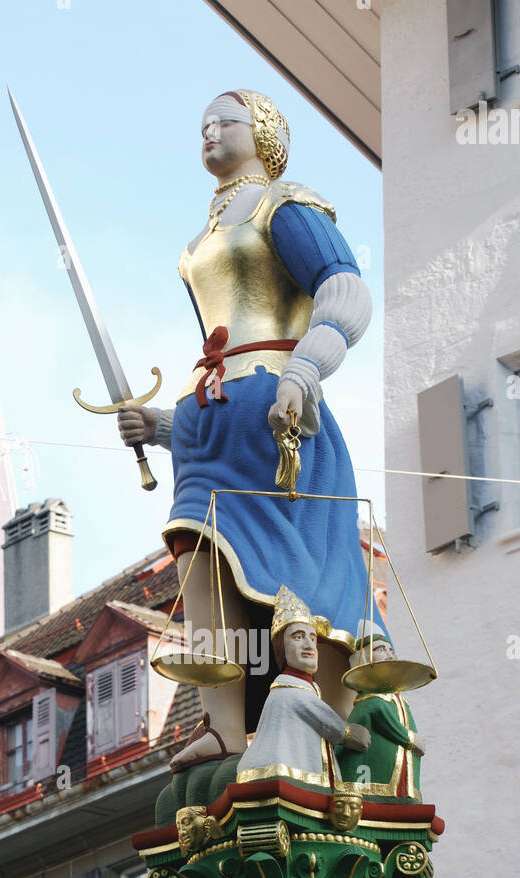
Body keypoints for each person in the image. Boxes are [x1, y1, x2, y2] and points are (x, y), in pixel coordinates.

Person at [118, 89, 373, 771]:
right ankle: (224, 720)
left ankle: (314, 695)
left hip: (274, 403)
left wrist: (305, 371)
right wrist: (164, 425)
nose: (207, 132)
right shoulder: (200, 239)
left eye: (224, 120)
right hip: (210, 408)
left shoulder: (282, 205)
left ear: (262, 131)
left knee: (289, 564)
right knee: (197, 554)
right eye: (200, 124)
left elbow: (343, 287)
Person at [236, 587, 369, 788]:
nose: (309, 645)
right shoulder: (288, 691)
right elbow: (327, 721)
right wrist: (350, 733)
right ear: (281, 649)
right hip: (284, 772)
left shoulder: (309, 688)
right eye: (298, 637)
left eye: (313, 638)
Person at [337, 623, 426, 801]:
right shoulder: (371, 701)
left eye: (390, 649)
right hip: (370, 782)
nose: (388, 653)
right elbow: (378, 712)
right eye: (380, 649)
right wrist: (410, 739)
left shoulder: (395, 699)